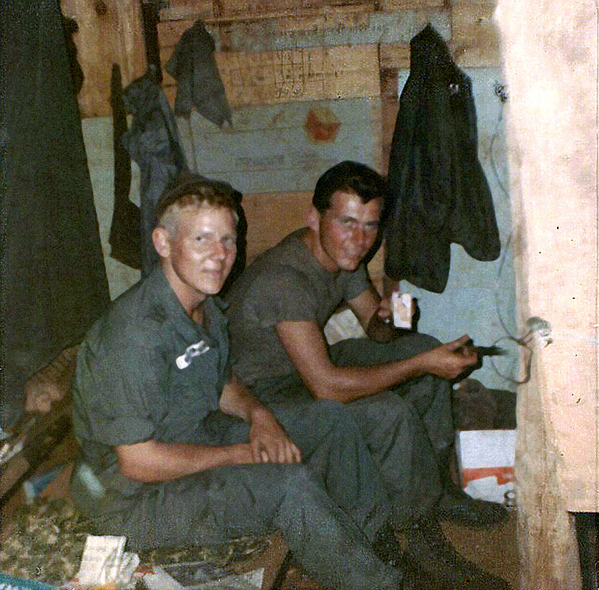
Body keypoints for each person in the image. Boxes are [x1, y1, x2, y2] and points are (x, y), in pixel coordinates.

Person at [70, 175, 425, 590]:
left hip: (195, 439)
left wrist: (260, 417)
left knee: (330, 419)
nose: (220, 255)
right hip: (132, 502)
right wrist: (238, 454)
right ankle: (378, 584)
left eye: (228, 240)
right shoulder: (133, 334)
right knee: (285, 484)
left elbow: (222, 382)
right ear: (164, 243)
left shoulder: (205, 306)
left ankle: (369, 547)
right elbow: (139, 461)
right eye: (201, 240)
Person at [225, 161, 510, 588]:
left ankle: (436, 489)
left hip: (304, 369)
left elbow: (376, 332)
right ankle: (415, 537)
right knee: (387, 410)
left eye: (371, 226)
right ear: (313, 217)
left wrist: (392, 321)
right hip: (263, 398)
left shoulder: (345, 255)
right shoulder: (284, 279)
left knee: (420, 346)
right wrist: (419, 364)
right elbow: (326, 387)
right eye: (347, 223)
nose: (360, 240)